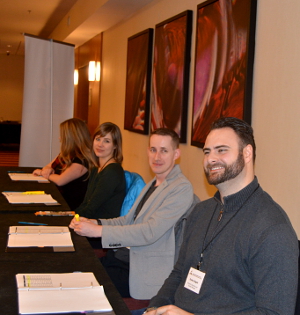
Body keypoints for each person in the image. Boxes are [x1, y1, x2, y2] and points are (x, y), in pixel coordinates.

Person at [141, 117, 299, 315]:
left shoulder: (272, 228)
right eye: (207, 152)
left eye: (221, 150)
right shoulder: (200, 212)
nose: (210, 159)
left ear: (247, 153)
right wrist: (154, 307)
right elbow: (179, 273)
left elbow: (275, 312)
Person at [69, 128, 195, 300]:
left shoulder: (181, 188)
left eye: (164, 151)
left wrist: (99, 232)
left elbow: (149, 232)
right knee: (74, 270)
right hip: (122, 258)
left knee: (77, 288)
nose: (157, 157)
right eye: (153, 150)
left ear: (176, 154)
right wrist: (95, 222)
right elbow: (128, 220)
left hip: (139, 269)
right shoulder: (154, 182)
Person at [33, 118, 95, 210]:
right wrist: (47, 169)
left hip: (70, 205)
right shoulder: (66, 154)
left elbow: (60, 180)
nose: (59, 138)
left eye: (62, 135)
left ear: (70, 137)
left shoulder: (82, 160)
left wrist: (43, 173)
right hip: (59, 197)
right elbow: (48, 166)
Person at [74, 122, 126, 219]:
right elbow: (86, 203)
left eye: (106, 141)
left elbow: (91, 208)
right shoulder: (96, 168)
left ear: (115, 145)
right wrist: (71, 214)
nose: (100, 145)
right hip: (90, 220)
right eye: (98, 139)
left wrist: (70, 219)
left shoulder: (112, 172)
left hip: (100, 226)